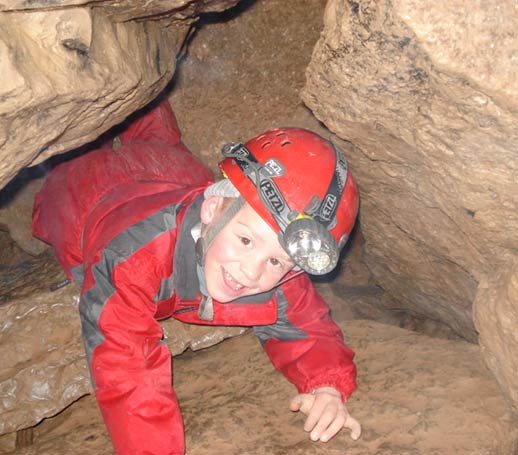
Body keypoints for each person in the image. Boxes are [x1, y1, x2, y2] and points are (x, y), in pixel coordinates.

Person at [32, 99, 361, 455]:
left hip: (173, 170)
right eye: (246, 240)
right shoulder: (130, 256)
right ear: (211, 209)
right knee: (77, 145)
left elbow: (308, 326)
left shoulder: (268, 261)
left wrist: (327, 386)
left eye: (277, 262)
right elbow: (127, 367)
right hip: (95, 186)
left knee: (155, 133)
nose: (251, 272)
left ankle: (145, 100)